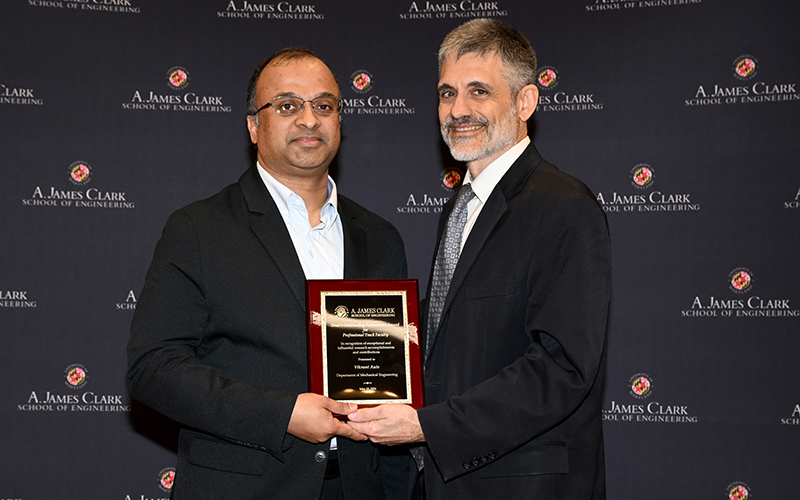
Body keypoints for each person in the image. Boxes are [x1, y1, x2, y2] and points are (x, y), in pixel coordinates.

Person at [127, 47, 407, 500]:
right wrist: (281, 415)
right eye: (287, 105)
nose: (309, 119)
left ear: (339, 121)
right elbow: (153, 368)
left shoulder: (380, 236)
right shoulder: (199, 228)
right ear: (255, 126)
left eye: (324, 105)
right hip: (244, 486)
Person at [347, 19, 611, 499]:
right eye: (447, 93)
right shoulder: (464, 205)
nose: (458, 110)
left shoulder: (563, 206)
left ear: (525, 101)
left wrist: (430, 427)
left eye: (479, 91)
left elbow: (562, 368)